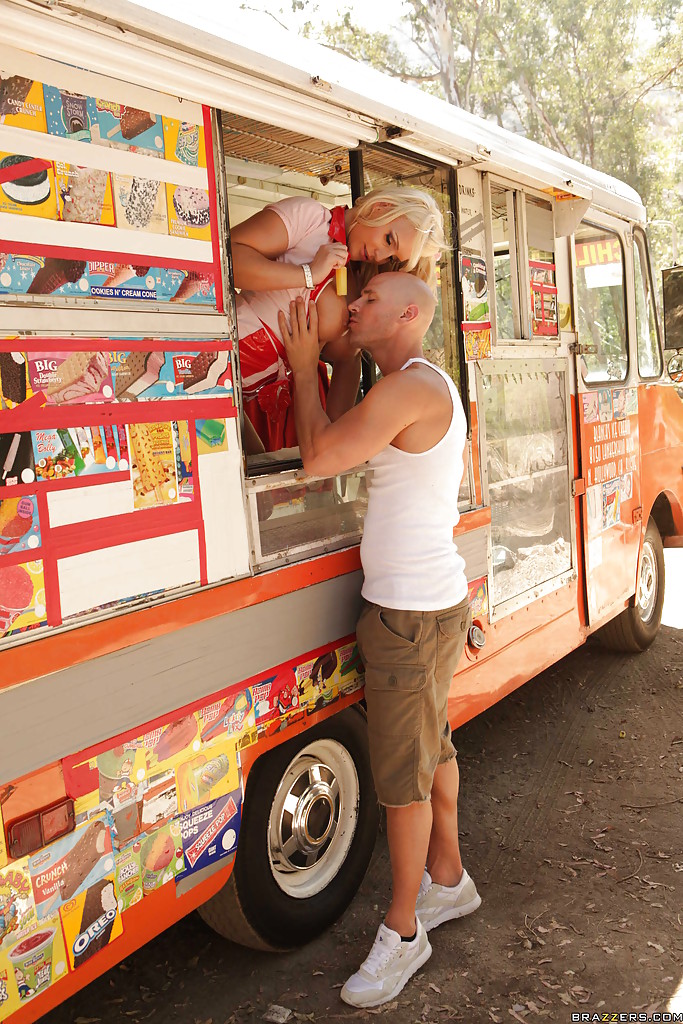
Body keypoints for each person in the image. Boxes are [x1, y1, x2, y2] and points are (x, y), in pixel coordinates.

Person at [278, 273, 481, 1008]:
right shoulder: (410, 384)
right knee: (432, 747)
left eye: (367, 300)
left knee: (400, 782)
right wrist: (331, 366)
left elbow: (317, 457)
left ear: (409, 315)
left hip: (408, 614)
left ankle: (402, 933)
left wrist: (303, 365)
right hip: (429, 604)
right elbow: (337, 435)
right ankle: (448, 881)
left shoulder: (404, 390)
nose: (352, 304)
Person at [230, 185, 447, 452]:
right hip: (217, 361)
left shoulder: (363, 285)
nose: (381, 255)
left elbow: (347, 360)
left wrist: (329, 440)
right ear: (381, 207)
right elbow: (225, 256)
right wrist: (308, 274)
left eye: (392, 256)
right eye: (389, 240)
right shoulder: (310, 218)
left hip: (247, 397)